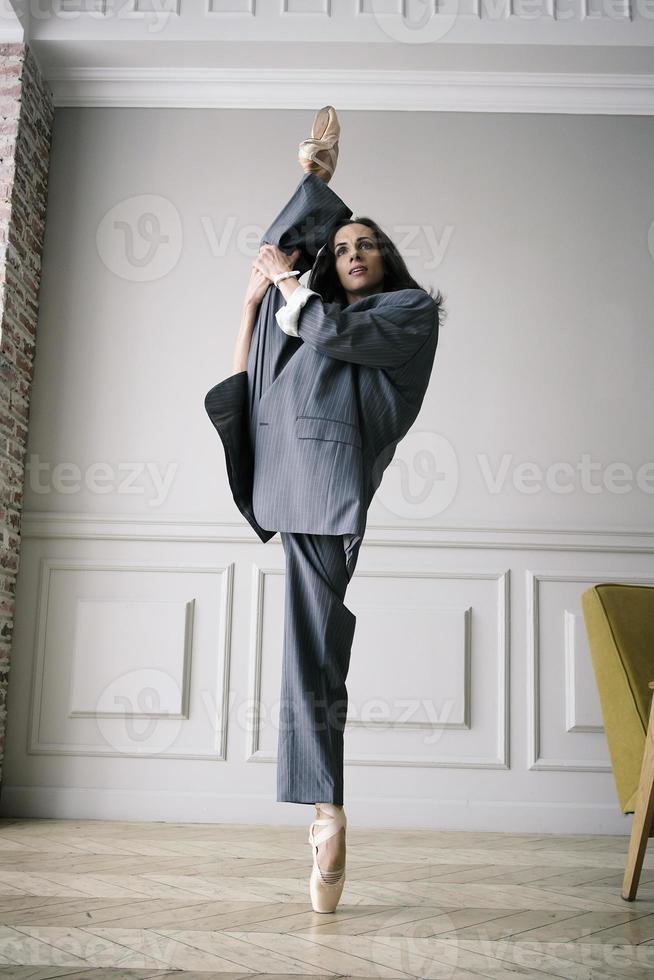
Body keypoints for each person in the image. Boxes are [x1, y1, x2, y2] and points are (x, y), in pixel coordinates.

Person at [204, 106, 445, 913]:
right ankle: (325, 812)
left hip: (324, 482)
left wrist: (284, 281)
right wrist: (313, 186)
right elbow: (260, 362)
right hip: (288, 473)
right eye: (342, 246)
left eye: (365, 243)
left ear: (389, 260)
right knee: (314, 644)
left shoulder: (405, 317)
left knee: (312, 646)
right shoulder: (307, 313)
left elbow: (313, 312)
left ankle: (325, 812)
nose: (351, 253)